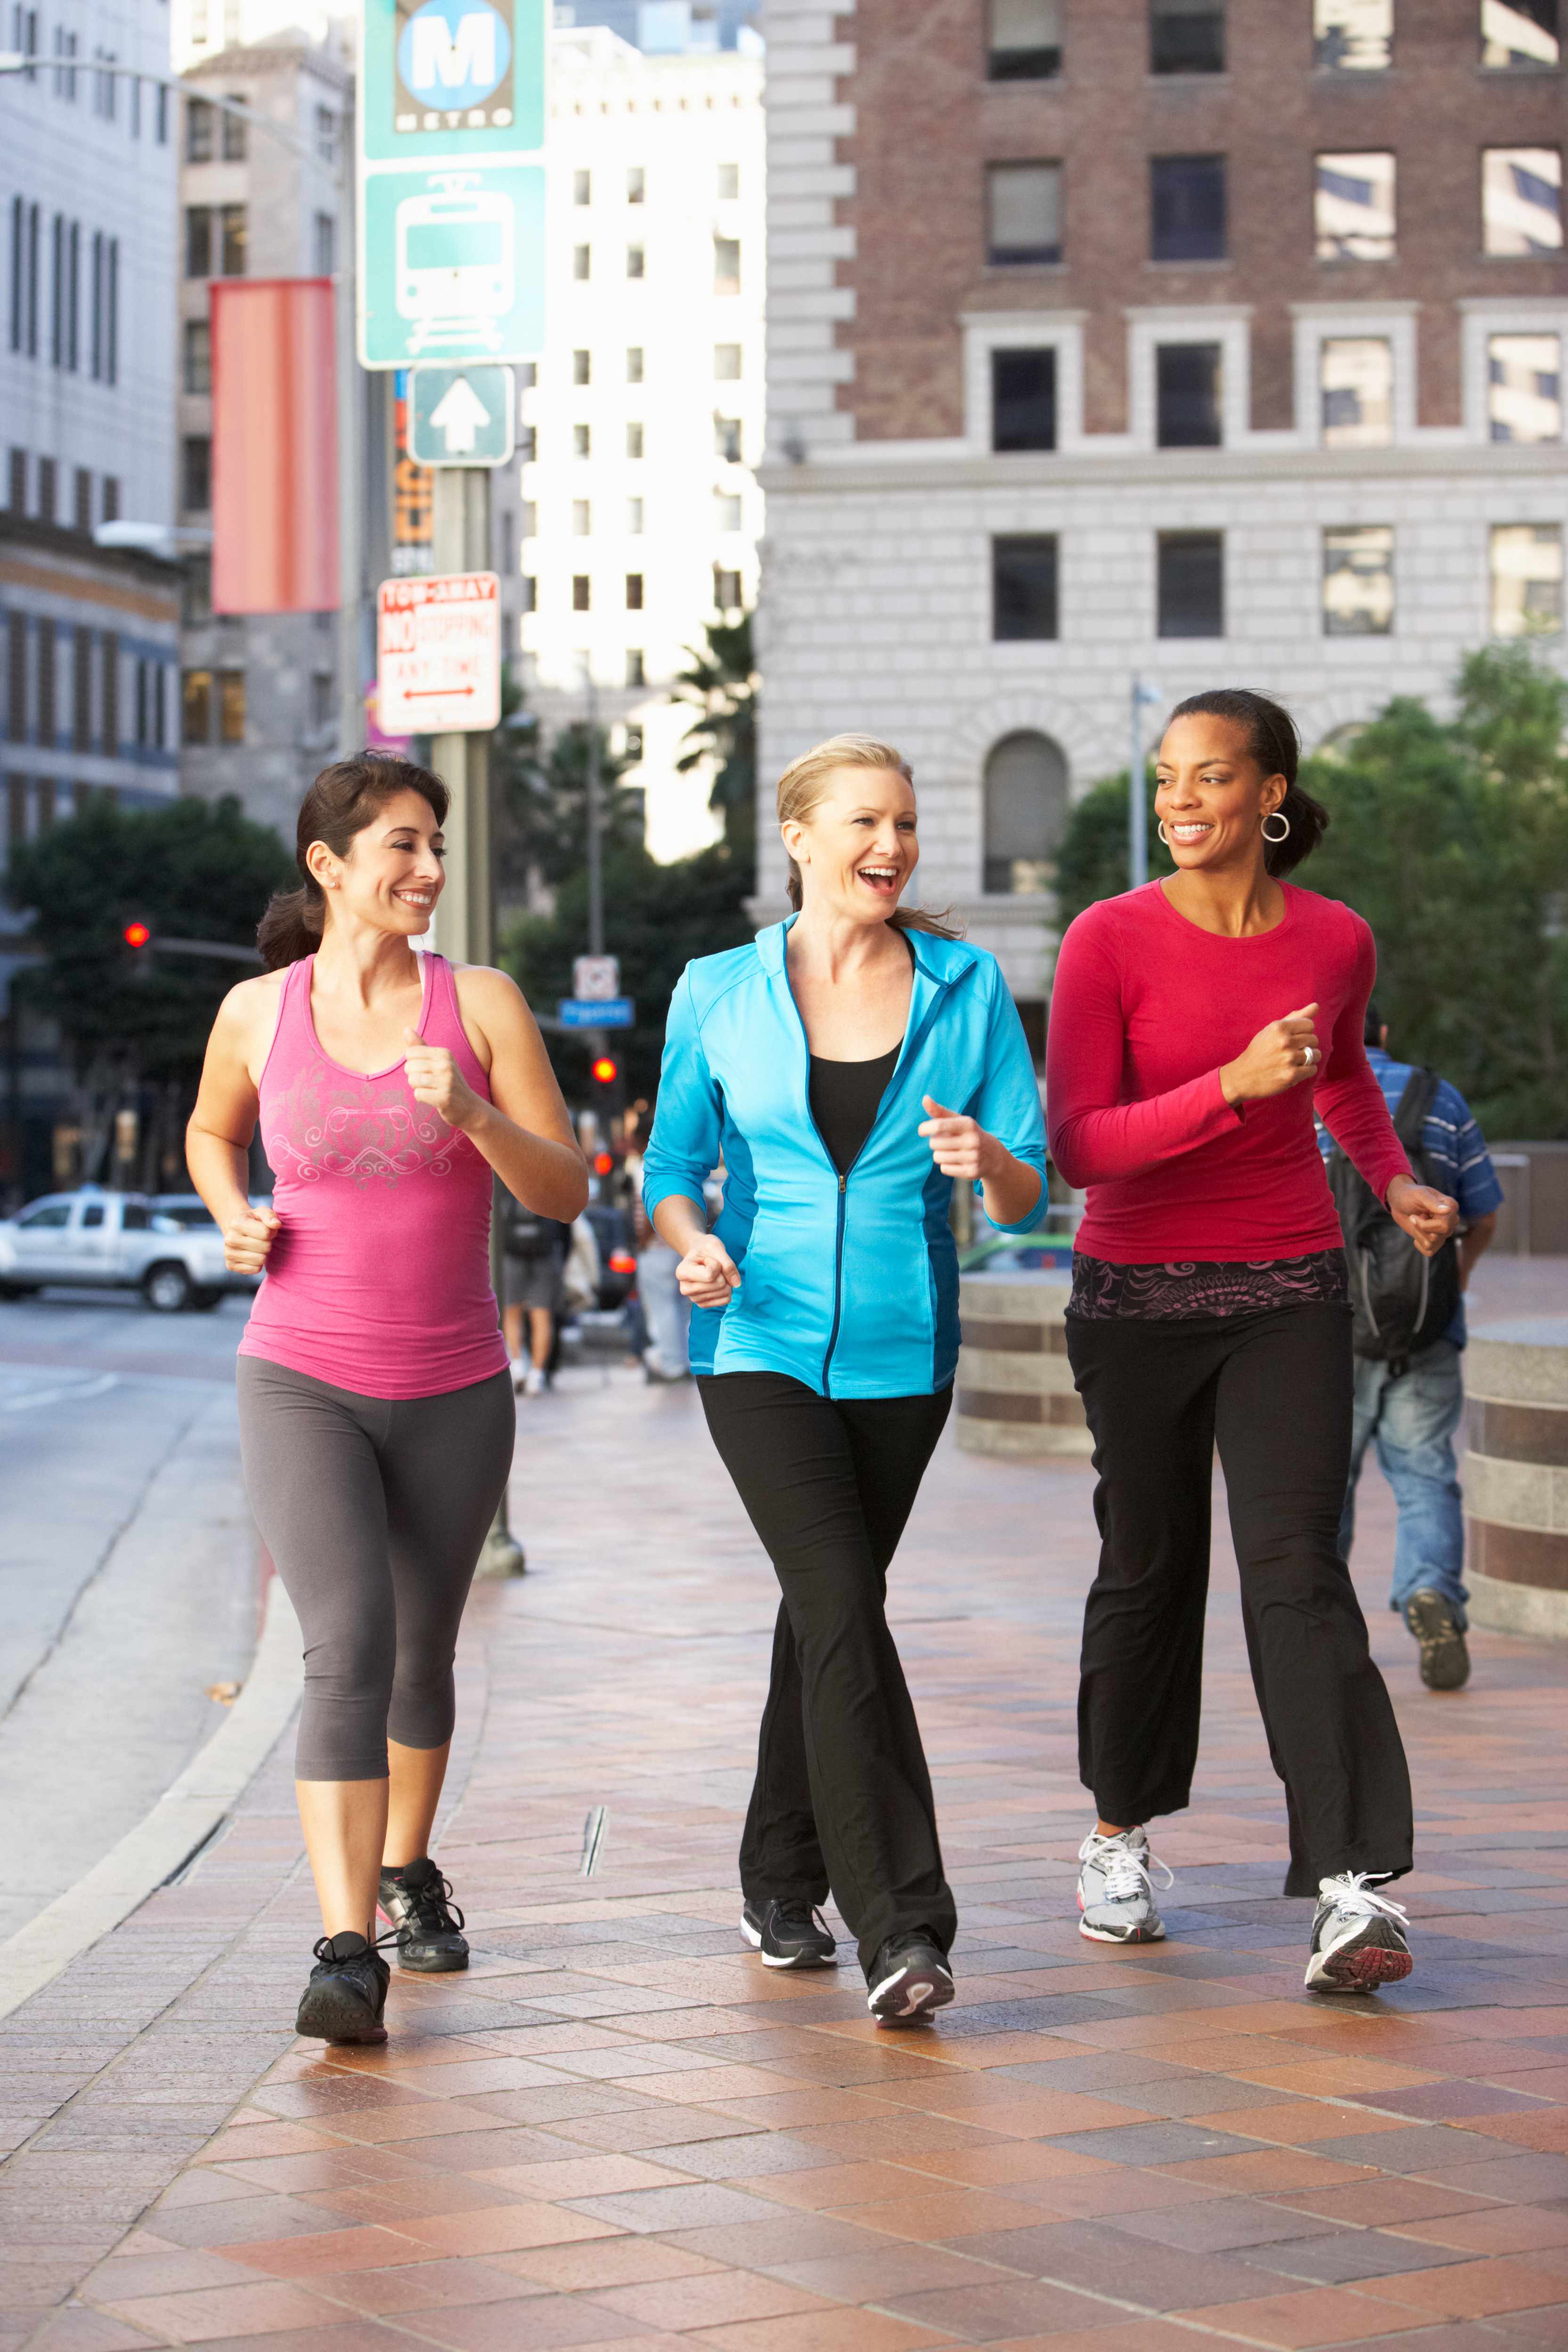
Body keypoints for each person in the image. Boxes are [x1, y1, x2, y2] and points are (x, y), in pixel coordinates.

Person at [1045, 690, 1459, 1995]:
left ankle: (1351, 1883)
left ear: (1269, 794)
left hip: (1288, 1285)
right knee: (1149, 1569)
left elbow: (1338, 1077)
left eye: (1210, 779)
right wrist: (1226, 1088)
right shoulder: (1107, 940)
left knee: (1297, 1564)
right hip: (1136, 1298)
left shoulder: (1336, 939)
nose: (1180, 802)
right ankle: (1118, 1835)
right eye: (1167, 779)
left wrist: (1390, 1182)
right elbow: (1077, 1143)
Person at [643, 733, 1047, 2023]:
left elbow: (1033, 1184)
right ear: (802, 838)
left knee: (830, 1610)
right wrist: (692, 1244)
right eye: (867, 822)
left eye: (909, 825)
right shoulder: (715, 989)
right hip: (752, 1342)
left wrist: (985, 1155)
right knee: (837, 1597)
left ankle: (776, 1878)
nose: (893, 848)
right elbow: (666, 1173)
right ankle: (905, 1928)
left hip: (902, 1352)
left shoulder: (966, 987)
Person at [186, 753, 587, 2044]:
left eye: (437, 847)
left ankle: (410, 1869)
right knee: (346, 1644)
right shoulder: (260, 1011)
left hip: (458, 1383)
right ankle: (347, 1943)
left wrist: (471, 1110)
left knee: (421, 1655)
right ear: (330, 868)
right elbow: (209, 1131)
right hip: (299, 1373)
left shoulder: (480, 1004)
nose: (429, 870)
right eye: (404, 848)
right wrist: (233, 1213)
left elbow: (563, 1192)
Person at [1321, 1001, 1502, 1691]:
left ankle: (1326, 1633)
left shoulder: (1306, 1103)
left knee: (1324, 1491)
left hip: (1331, 1332)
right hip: (1426, 1329)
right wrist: (1451, 1278)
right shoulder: (1441, 1100)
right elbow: (1482, 1212)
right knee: (1426, 1477)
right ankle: (1433, 1592)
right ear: (1386, 1034)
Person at [500, 1191, 567, 1396]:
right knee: (542, 1315)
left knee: (512, 1312)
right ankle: (537, 1375)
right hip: (545, 1256)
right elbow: (566, 1228)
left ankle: (518, 1365)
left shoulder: (506, 1182)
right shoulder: (547, 1178)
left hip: (513, 1254)